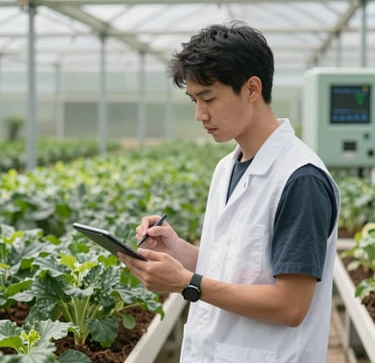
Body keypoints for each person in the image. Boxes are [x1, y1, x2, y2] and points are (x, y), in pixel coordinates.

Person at [118, 21, 340, 363]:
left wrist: (188, 283)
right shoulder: (228, 167)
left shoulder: (300, 179)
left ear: (252, 88)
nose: (199, 114)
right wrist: (177, 250)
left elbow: (291, 305)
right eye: (194, 100)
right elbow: (236, 265)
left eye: (208, 98)